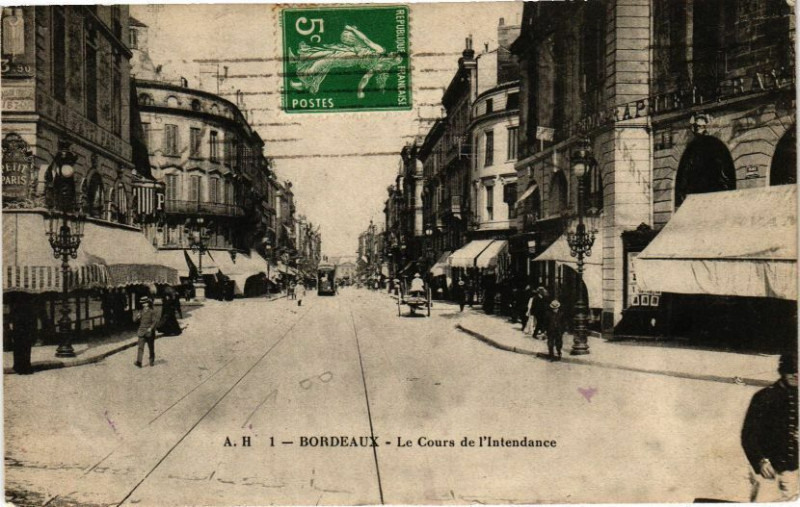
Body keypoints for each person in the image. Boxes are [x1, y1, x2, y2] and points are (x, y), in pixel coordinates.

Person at [741, 353, 799, 502]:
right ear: (782, 371)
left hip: (794, 472)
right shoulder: (764, 397)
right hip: (768, 471)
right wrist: (760, 461)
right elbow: (748, 435)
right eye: (790, 370)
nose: (795, 374)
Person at [134, 296, 159, 368]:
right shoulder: (141, 311)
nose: (143, 304)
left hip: (149, 332)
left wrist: (151, 328)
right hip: (141, 331)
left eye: (145, 303)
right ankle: (139, 362)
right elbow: (134, 321)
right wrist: (137, 317)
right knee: (140, 347)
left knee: (151, 347)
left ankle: (151, 360)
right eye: (142, 303)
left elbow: (155, 321)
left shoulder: (152, 311)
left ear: (148, 303)